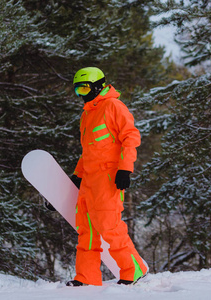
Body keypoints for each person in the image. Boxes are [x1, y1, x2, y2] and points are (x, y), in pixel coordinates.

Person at [66, 67, 148, 286]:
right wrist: (76, 176)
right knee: (86, 231)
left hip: (108, 179)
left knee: (110, 227)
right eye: (77, 91)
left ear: (98, 86)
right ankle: (86, 278)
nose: (82, 94)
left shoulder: (114, 106)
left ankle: (134, 269)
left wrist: (125, 169)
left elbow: (131, 137)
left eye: (85, 88)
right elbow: (88, 152)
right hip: (89, 182)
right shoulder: (87, 114)